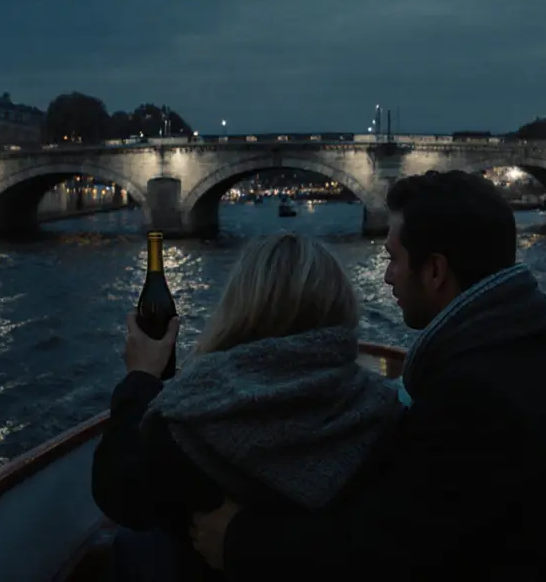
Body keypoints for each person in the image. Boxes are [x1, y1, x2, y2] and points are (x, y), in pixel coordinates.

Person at [190, 170, 546, 580]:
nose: (387, 276)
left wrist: (238, 541)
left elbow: (385, 553)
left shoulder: (469, 395)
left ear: (435, 270)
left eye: (393, 258)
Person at [90, 232, 405, 581]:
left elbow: (118, 491)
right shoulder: (383, 410)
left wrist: (140, 377)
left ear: (239, 305)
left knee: (130, 544)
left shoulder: (194, 414)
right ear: (341, 305)